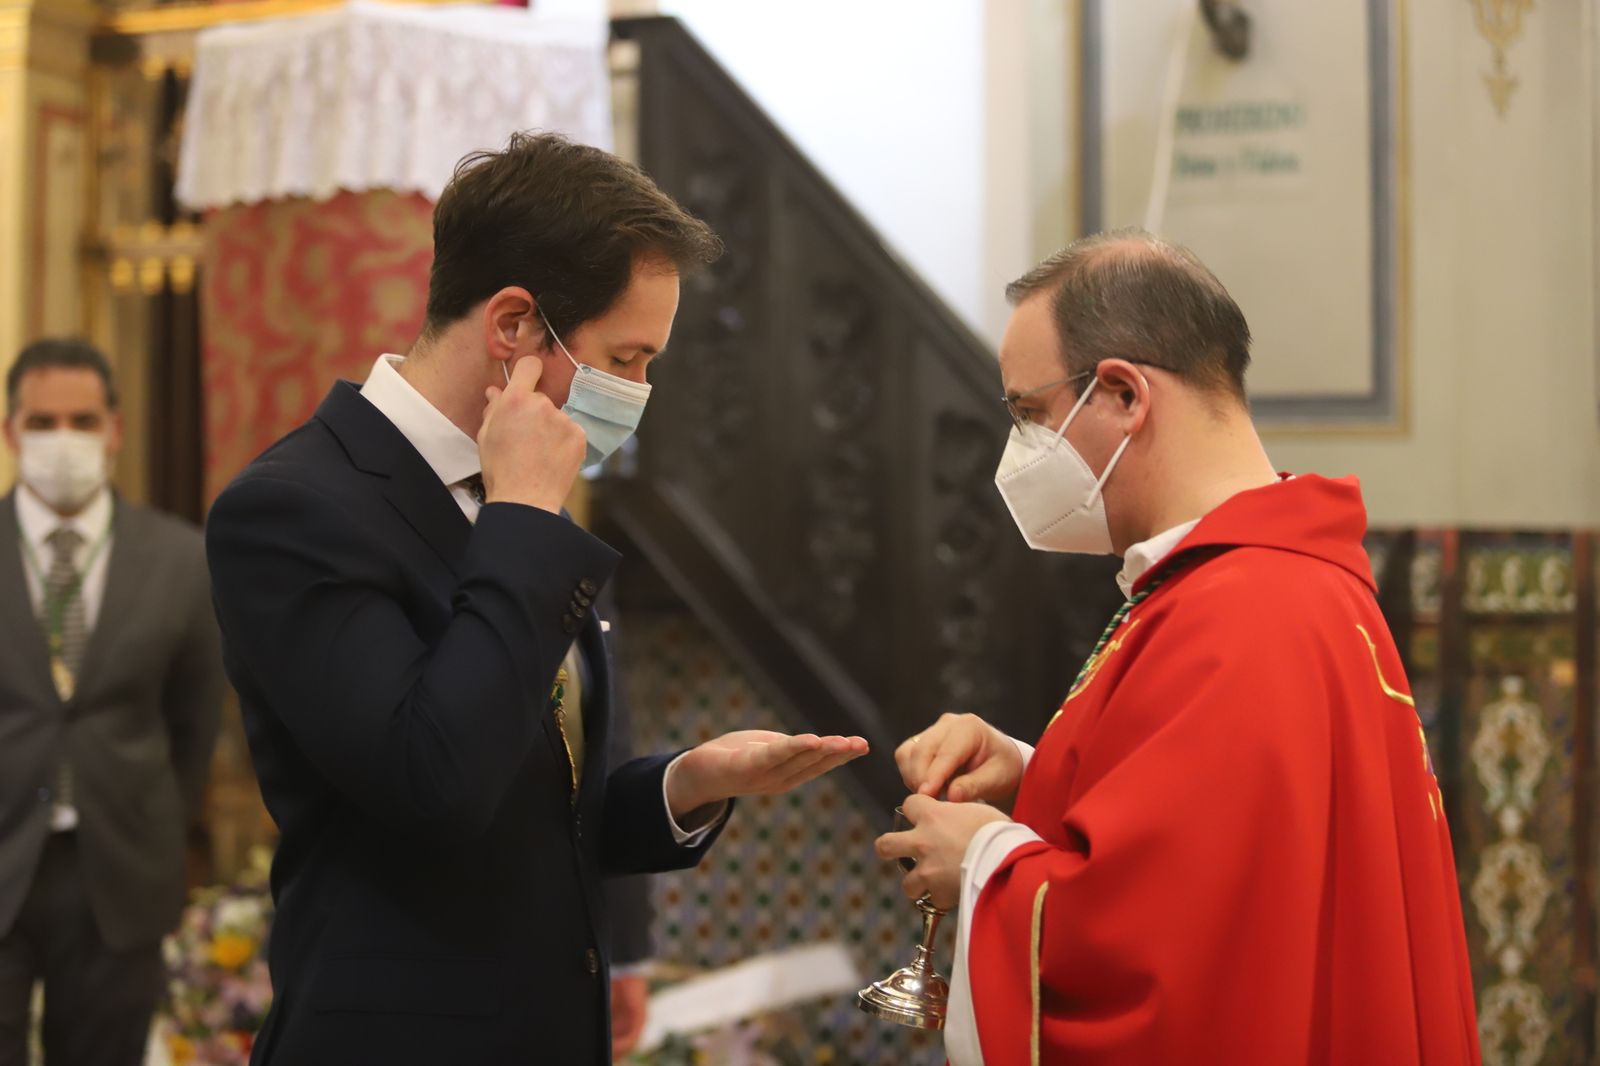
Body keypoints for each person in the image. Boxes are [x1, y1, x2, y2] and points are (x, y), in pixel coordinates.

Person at [205, 132, 868, 1065]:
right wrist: (519, 517)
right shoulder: (297, 508)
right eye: (625, 358)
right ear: (513, 326)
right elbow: (433, 784)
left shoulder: (523, 496)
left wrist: (687, 782)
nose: (639, 391)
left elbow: (537, 803)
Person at [877, 230, 1480, 1065]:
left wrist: (981, 863)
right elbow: (1218, 852)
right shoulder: (1262, 583)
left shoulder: (1246, 614)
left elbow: (1168, 957)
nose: (1018, 450)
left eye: (1029, 413)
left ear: (1124, 393)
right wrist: (1032, 772)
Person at [0, 339, 224, 1066]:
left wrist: (159, 819)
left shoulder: (181, 558)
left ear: (115, 430)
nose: (63, 439)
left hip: (121, 870)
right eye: (42, 422)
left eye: (83, 421)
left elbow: (194, 721)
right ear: (10, 432)